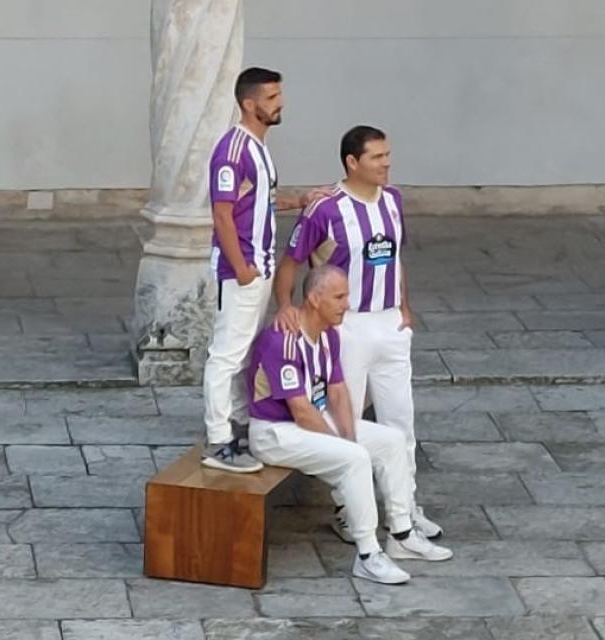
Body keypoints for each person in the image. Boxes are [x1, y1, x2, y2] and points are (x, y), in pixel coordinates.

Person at [273, 125, 443, 540]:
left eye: (387, 155)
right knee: (344, 419)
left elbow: (395, 256)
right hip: (346, 327)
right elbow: (291, 261)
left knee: (400, 420)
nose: (386, 163)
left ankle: (406, 506)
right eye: (377, 157)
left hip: (388, 325)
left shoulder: (394, 201)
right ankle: (349, 506)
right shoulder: (325, 209)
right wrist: (287, 308)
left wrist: (404, 305)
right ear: (352, 162)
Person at [247, 265, 452, 584]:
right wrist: (345, 445)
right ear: (314, 299)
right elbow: (300, 411)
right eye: (339, 296)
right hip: (276, 431)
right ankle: (368, 554)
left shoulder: (329, 334)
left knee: (391, 441)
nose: (346, 304)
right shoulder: (283, 340)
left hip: (310, 420)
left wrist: (350, 434)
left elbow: (338, 391)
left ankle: (401, 534)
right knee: (354, 459)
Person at [202, 67, 323, 473]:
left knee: (244, 351)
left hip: (258, 267)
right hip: (244, 271)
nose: (280, 103)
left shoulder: (257, 147)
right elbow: (221, 214)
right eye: (271, 97)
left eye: (279, 95)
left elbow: (256, 202)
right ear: (249, 104)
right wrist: (242, 268)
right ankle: (219, 440)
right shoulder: (233, 150)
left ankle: (238, 422)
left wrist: (300, 200)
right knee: (226, 355)